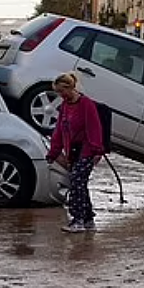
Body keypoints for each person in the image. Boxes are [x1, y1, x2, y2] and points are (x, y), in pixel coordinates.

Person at [46, 72, 105, 233]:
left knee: (77, 182)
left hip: (87, 150)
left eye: (62, 91)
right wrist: (53, 152)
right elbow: (59, 130)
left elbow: (94, 128)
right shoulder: (65, 106)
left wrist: (97, 150)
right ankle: (88, 219)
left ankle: (77, 219)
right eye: (58, 92)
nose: (60, 95)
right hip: (72, 152)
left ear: (70, 88)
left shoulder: (86, 104)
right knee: (80, 185)